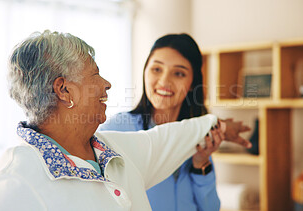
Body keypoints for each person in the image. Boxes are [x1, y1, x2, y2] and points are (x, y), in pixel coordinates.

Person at [0, 30, 250, 211]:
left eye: (179, 73)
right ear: (64, 90)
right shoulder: (9, 192)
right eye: (95, 74)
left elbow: (177, 135)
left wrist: (223, 127)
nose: (107, 84)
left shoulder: (118, 151)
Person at [99, 33, 250, 211]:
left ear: (192, 82)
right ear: (145, 72)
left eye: (178, 73)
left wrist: (200, 165)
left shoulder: (199, 136)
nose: (164, 81)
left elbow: (210, 208)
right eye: (157, 69)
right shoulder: (117, 130)